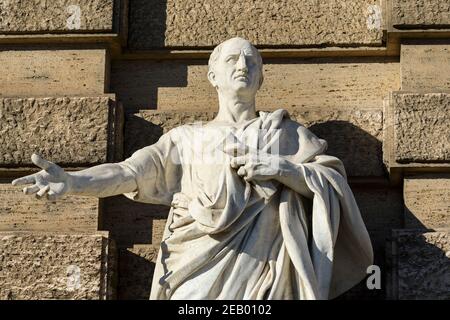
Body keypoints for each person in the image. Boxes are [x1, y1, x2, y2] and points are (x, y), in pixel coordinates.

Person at [12, 37, 373, 300]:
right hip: (194, 273)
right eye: (232, 59)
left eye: (251, 61)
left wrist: (280, 168)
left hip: (266, 275)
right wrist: (74, 182)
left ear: (262, 77)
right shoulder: (184, 139)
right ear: (213, 75)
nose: (242, 65)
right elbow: (129, 172)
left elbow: (330, 185)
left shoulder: (287, 135)